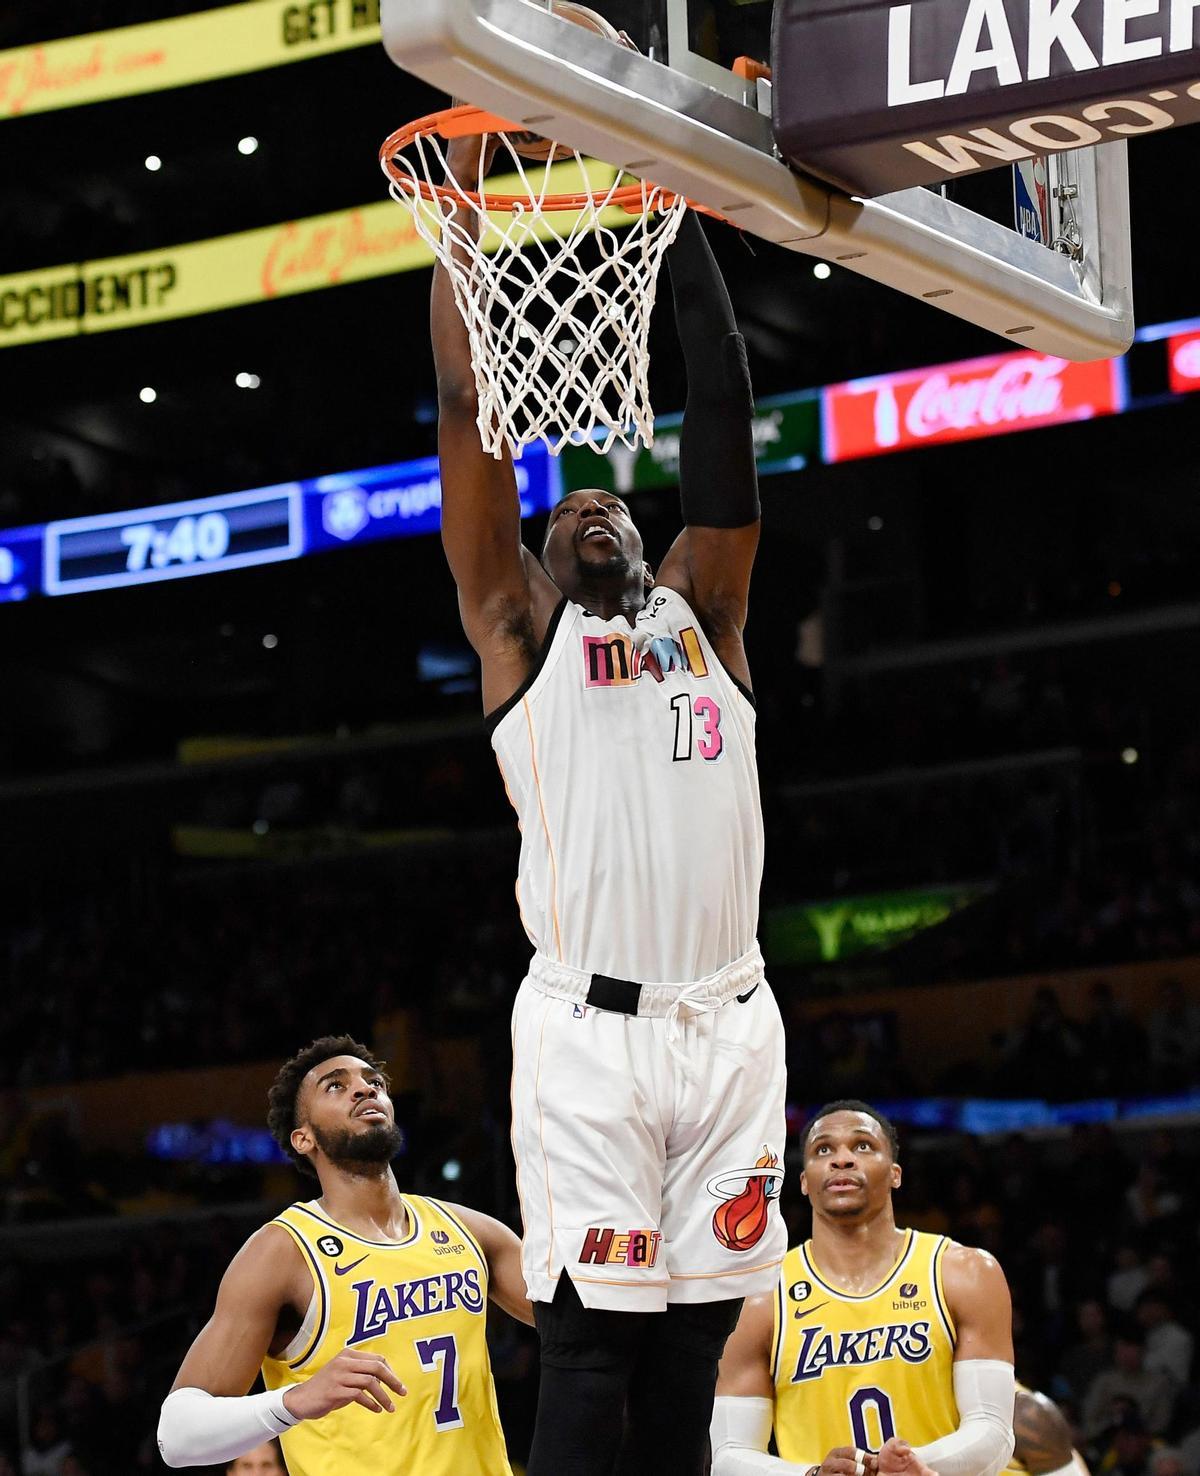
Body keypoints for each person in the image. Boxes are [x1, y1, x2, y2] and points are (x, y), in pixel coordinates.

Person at [432, 118, 785, 1476]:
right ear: (528, 560)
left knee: (712, 1333)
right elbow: (470, 416)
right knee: (588, 1340)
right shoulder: (519, 640)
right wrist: (462, 228)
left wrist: (682, 204)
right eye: (564, 507)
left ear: (654, 537)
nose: (591, 512)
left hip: (732, 1016)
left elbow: (718, 413)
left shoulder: (710, 610)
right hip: (587, 1030)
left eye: (611, 505)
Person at [157, 1034, 532, 1474]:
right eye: (336, 1085)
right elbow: (176, 1437)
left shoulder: (468, 1230)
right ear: (303, 1138)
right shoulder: (282, 1252)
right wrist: (293, 1401)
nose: (365, 1088)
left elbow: (584, 1320)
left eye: (374, 1081)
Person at [710, 1101, 1015, 1476]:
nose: (842, 1160)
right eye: (824, 1150)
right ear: (804, 1181)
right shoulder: (760, 1297)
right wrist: (813, 1475)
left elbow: (993, 1432)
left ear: (895, 1174)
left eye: (863, 1146)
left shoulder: (963, 1272)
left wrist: (911, 1466)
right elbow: (730, 1455)